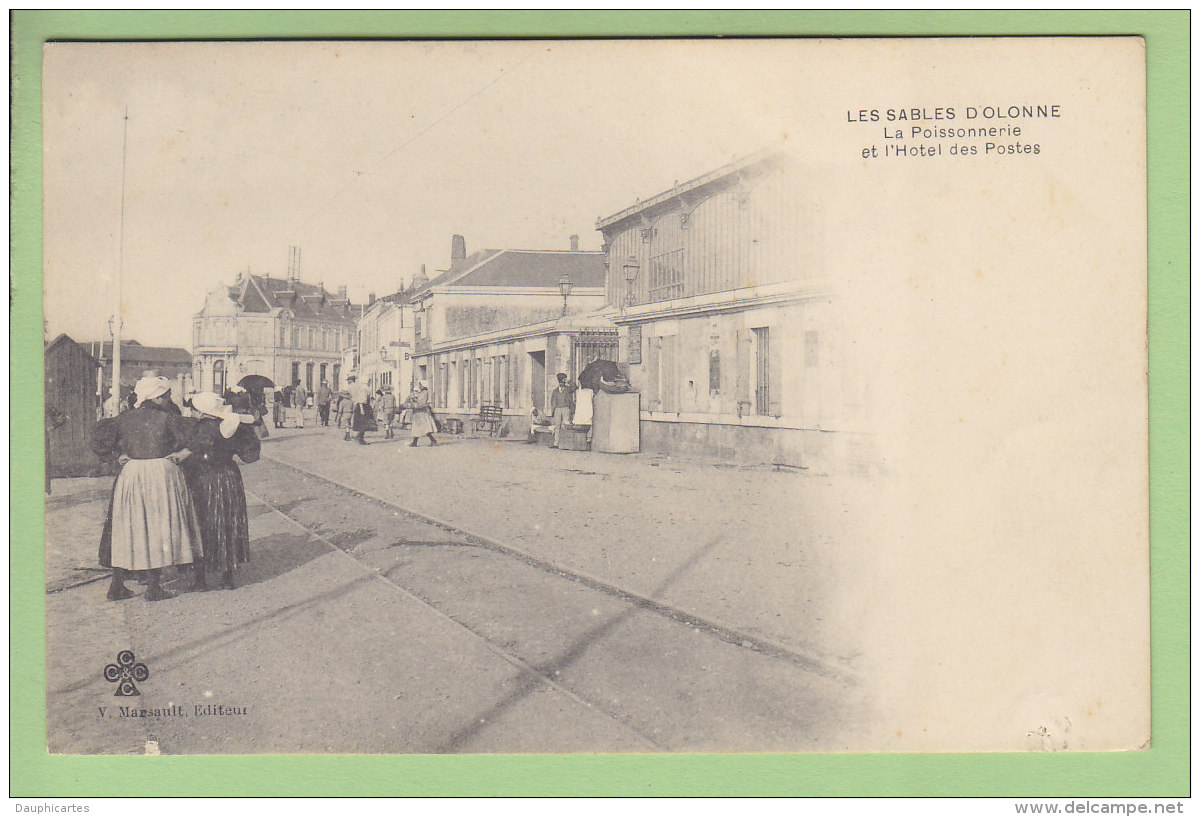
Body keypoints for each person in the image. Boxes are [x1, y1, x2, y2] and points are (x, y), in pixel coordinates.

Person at [91, 376, 203, 602]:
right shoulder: (167, 418)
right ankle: (153, 588)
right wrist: (184, 453)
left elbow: (97, 439)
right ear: (157, 397)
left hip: (131, 473)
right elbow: (199, 435)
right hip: (160, 473)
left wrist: (117, 456)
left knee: (127, 528)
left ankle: (117, 586)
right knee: (158, 527)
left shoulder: (123, 418)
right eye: (166, 396)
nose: (169, 399)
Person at [181, 392, 259, 591]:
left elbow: (189, 453)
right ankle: (228, 576)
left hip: (202, 477)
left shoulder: (199, 428)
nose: (191, 412)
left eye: (194, 409)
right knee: (227, 523)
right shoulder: (232, 426)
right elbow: (250, 455)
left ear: (201, 411)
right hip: (228, 476)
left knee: (200, 523)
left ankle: (200, 578)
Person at [405, 380, 438, 447]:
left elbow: (421, 404)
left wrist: (412, 404)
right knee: (419, 428)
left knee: (422, 427)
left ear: (423, 385)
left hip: (421, 412)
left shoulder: (424, 393)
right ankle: (416, 442)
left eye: (420, 384)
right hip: (418, 413)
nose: (419, 386)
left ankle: (432, 440)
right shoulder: (421, 392)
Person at [549, 372, 575, 448]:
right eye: (561, 382)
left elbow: (575, 387)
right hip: (557, 409)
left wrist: (568, 381)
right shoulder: (555, 391)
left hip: (566, 408)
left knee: (566, 425)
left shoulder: (568, 389)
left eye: (563, 381)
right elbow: (552, 402)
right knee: (557, 426)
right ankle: (556, 443)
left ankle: (565, 443)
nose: (562, 383)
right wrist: (552, 413)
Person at [345, 374, 372, 445]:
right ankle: (361, 439)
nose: (370, 383)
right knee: (362, 424)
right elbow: (361, 400)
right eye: (369, 381)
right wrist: (362, 409)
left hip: (362, 406)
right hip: (362, 407)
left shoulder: (364, 388)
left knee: (362, 423)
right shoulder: (364, 389)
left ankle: (359, 437)